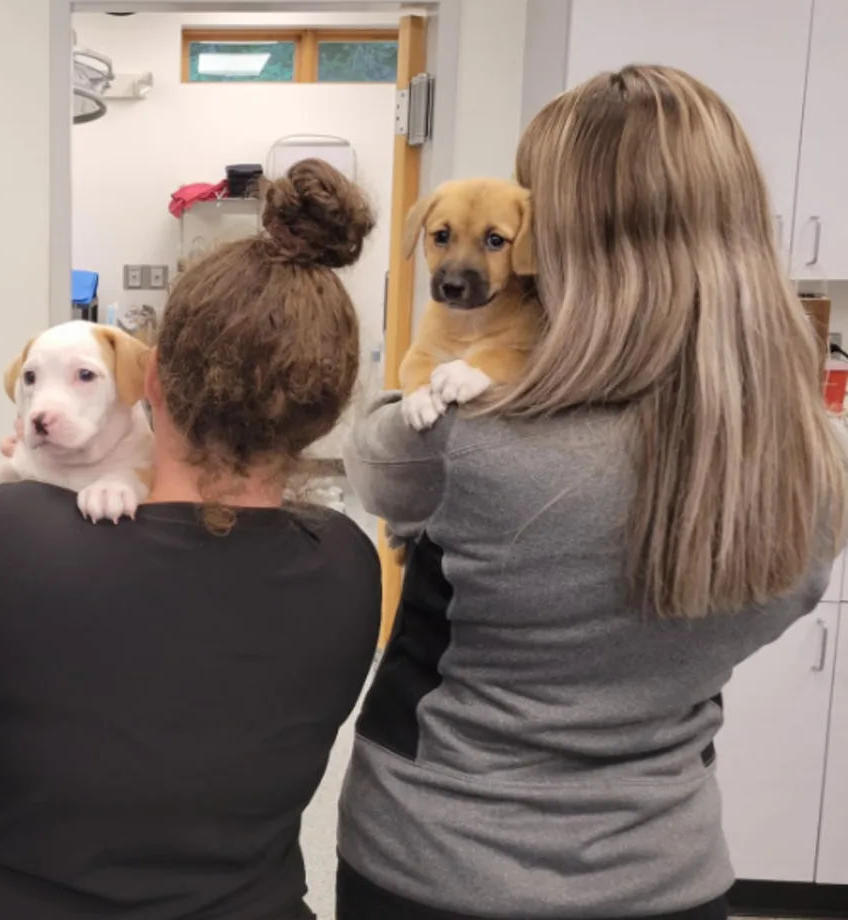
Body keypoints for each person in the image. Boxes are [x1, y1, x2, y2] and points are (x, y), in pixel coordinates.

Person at [340, 65, 848, 920]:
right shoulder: (811, 458)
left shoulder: (468, 435)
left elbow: (375, 464)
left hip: (440, 865)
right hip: (663, 872)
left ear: (561, 238)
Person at [0, 158, 383, 920]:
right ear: (321, 414)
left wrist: (27, 480)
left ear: (150, 379)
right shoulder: (349, 562)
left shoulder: (4, 533)